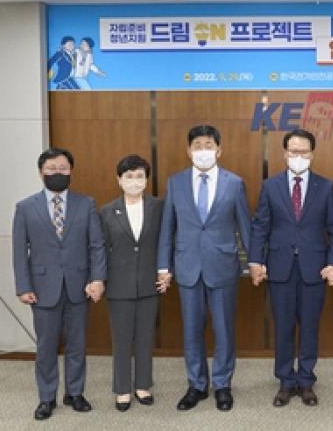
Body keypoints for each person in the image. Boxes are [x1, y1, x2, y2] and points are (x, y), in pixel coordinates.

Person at [157, 125, 251, 412]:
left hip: (222, 266)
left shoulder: (234, 183)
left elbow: (245, 226)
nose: (203, 150)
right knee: (191, 330)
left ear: (219, 150)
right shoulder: (176, 182)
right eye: (197, 145)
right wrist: (163, 266)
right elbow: (167, 228)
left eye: (208, 145)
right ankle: (196, 385)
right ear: (188, 151)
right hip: (187, 267)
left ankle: (222, 384)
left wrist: (256, 261)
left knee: (224, 329)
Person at [248, 128, 333, 408]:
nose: (298, 156)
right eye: (293, 151)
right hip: (279, 269)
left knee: (310, 327)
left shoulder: (326, 187)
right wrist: (255, 261)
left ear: (312, 154)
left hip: (314, 269)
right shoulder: (271, 186)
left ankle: (306, 380)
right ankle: (285, 381)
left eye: (303, 151)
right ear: (285, 153)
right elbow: (260, 227)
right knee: (283, 327)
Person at [12, 148, 106, 420]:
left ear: (71, 171)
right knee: (46, 347)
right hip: (42, 288)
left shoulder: (86, 204)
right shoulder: (25, 208)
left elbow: (97, 245)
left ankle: (75, 393)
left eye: (63, 168)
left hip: (79, 286)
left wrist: (97, 278)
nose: (58, 172)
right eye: (51, 168)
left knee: (77, 344)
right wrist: (23, 286)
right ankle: (47, 397)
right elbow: (19, 251)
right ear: (41, 172)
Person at [100, 155, 164, 411]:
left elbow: (166, 241)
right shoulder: (107, 211)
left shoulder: (158, 207)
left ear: (147, 179)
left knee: (145, 337)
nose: (134, 181)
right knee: (122, 339)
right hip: (118, 284)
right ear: (119, 179)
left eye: (139, 176)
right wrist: (98, 279)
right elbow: (101, 249)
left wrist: (165, 271)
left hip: (150, 282)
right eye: (128, 176)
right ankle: (123, 389)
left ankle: (143, 385)